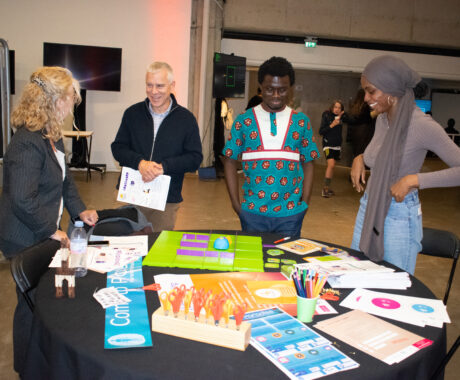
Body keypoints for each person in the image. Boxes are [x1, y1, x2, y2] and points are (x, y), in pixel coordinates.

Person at [0, 66, 98, 375]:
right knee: (32, 304)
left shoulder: (50, 135)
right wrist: (52, 231)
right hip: (25, 237)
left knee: (48, 299)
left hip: (40, 231)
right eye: (71, 96)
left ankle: (43, 357)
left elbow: (65, 182)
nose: (73, 102)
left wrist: (79, 209)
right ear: (55, 100)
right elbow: (21, 199)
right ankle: (26, 366)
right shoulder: (27, 142)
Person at [350, 55, 460, 274]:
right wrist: (359, 158)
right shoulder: (383, 118)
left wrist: (415, 180)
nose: (366, 97)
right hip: (369, 206)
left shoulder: (421, 125)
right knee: (357, 276)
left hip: (399, 215)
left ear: (391, 90)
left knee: (396, 289)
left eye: (371, 91)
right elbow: (375, 156)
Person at [222, 56, 320, 237]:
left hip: (291, 214)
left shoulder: (301, 122)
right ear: (260, 86)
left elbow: (308, 162)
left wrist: (304, 204)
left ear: (290, 89)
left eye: (282, 90)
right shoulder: (244, 121)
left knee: (286, 263)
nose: (276, 96)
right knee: (254, 263)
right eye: (269, 89)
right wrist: (236, 205)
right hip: (252, 213)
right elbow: (229, 160)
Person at [111, 62, 203, 231]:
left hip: (167, 199)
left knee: (159, 246)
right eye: (149, 85)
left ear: (172, 86)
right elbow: (118, 148)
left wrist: (164, 167)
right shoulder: (132, 114)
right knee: (131, 245)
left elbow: (195, 158)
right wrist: (140, 163)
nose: (154, 92)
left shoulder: (186, 119)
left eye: (160, 86)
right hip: (134, 194)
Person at [319, 100, 344, 197]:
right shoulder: (326, 115)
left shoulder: (342, 117)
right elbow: (321, 131)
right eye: (335, 107)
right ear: (332, 107)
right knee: (331, 164)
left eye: (339, 108)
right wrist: (332, 124)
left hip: (337, 146)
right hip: (327, 144)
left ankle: (327, 187)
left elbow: (354, 121)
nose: (337, 109)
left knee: (332, 166)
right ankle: (325, 189)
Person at [344, 89, 376, 159]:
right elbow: (368, 118)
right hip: (364, 136)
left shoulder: (354, 108)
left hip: (355, 137)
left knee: (357, 157)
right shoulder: (366, 108)